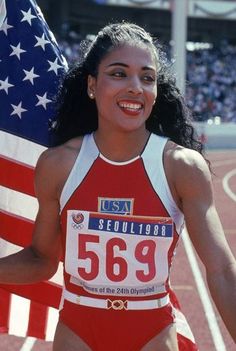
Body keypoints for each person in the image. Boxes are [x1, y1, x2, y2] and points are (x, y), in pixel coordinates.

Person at [0, 22, 236, 351]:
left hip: (152, 336)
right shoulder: (58, 165)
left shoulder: (182, 167)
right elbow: (41, 259)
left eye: (147, 77)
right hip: (77, 335)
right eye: (119, 73)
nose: (135, 87)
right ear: (92, 85)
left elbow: (222, 270)